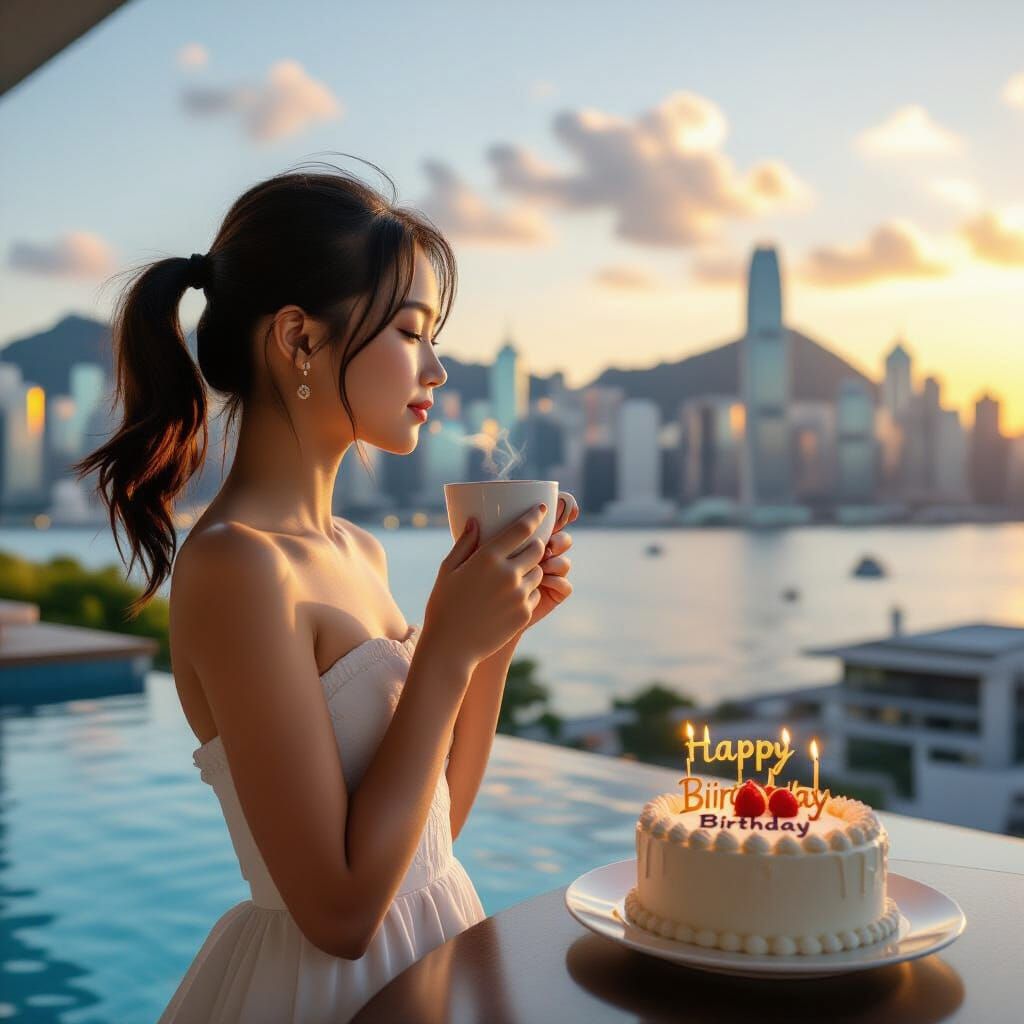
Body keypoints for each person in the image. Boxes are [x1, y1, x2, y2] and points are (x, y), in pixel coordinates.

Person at [72, 157, 579, 1023]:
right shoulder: (237, 567)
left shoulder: (358, 550)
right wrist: (445, 648)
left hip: (432, 955)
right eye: (412, 331)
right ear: (299, 339)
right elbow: (340, 916)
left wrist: (491, 644)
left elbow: (431, 834)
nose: (437, 369)